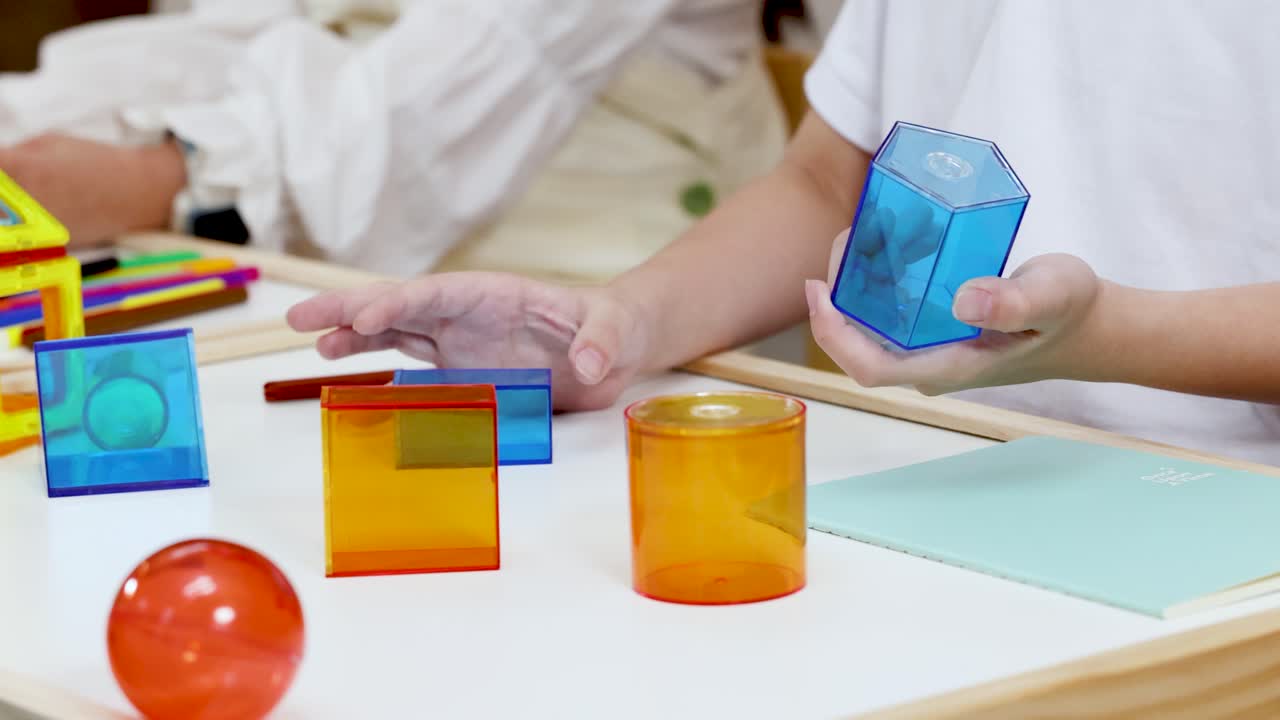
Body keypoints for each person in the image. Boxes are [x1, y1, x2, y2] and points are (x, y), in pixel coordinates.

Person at [286, 0, 1280, 465]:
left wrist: (1101, 335)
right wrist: (614, 325)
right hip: (924, 465)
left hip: (1214, 520)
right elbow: (822, 182)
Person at [0, 0, 788, 282]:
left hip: (617, 288)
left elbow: (425, 119)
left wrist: (165, 175)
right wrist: (28, 123)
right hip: (326, 236)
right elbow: (234, 35)